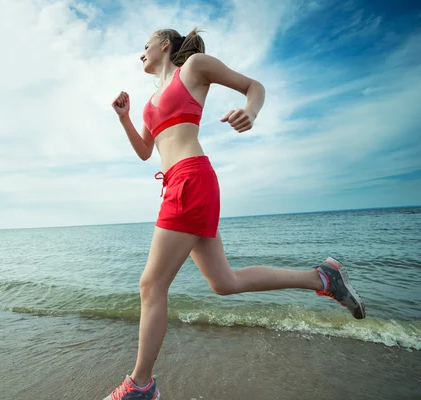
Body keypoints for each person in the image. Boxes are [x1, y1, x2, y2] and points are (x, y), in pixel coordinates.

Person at [105, 27, 366, 400]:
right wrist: (125, 118)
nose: (140, 53)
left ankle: (141, 386)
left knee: (151, 284)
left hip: (192, 180)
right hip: (176, 183)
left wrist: (250, 111)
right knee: (223, 282)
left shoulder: (193, 68)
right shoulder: (149, 101)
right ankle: (322, 278)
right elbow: (146, 151)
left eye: (144, 46)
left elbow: (254, 85)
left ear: (164, 44)